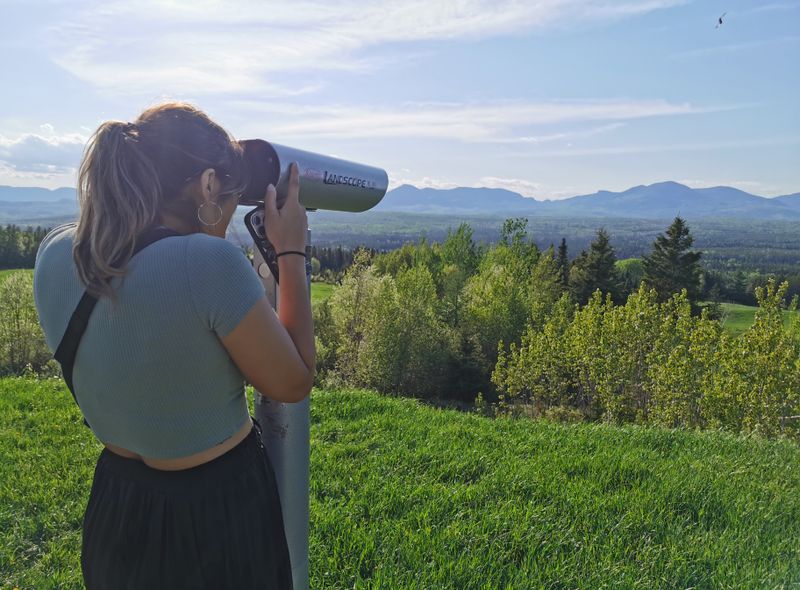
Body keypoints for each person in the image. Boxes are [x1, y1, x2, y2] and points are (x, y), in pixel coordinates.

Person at [33, 102, 314, 589]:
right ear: (207, 185)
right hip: (217, 517)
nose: (227, 214)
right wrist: (290, 251)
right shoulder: (208, 264)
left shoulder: (56, 253)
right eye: (228, 196)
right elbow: (293, 381)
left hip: (117, 511)